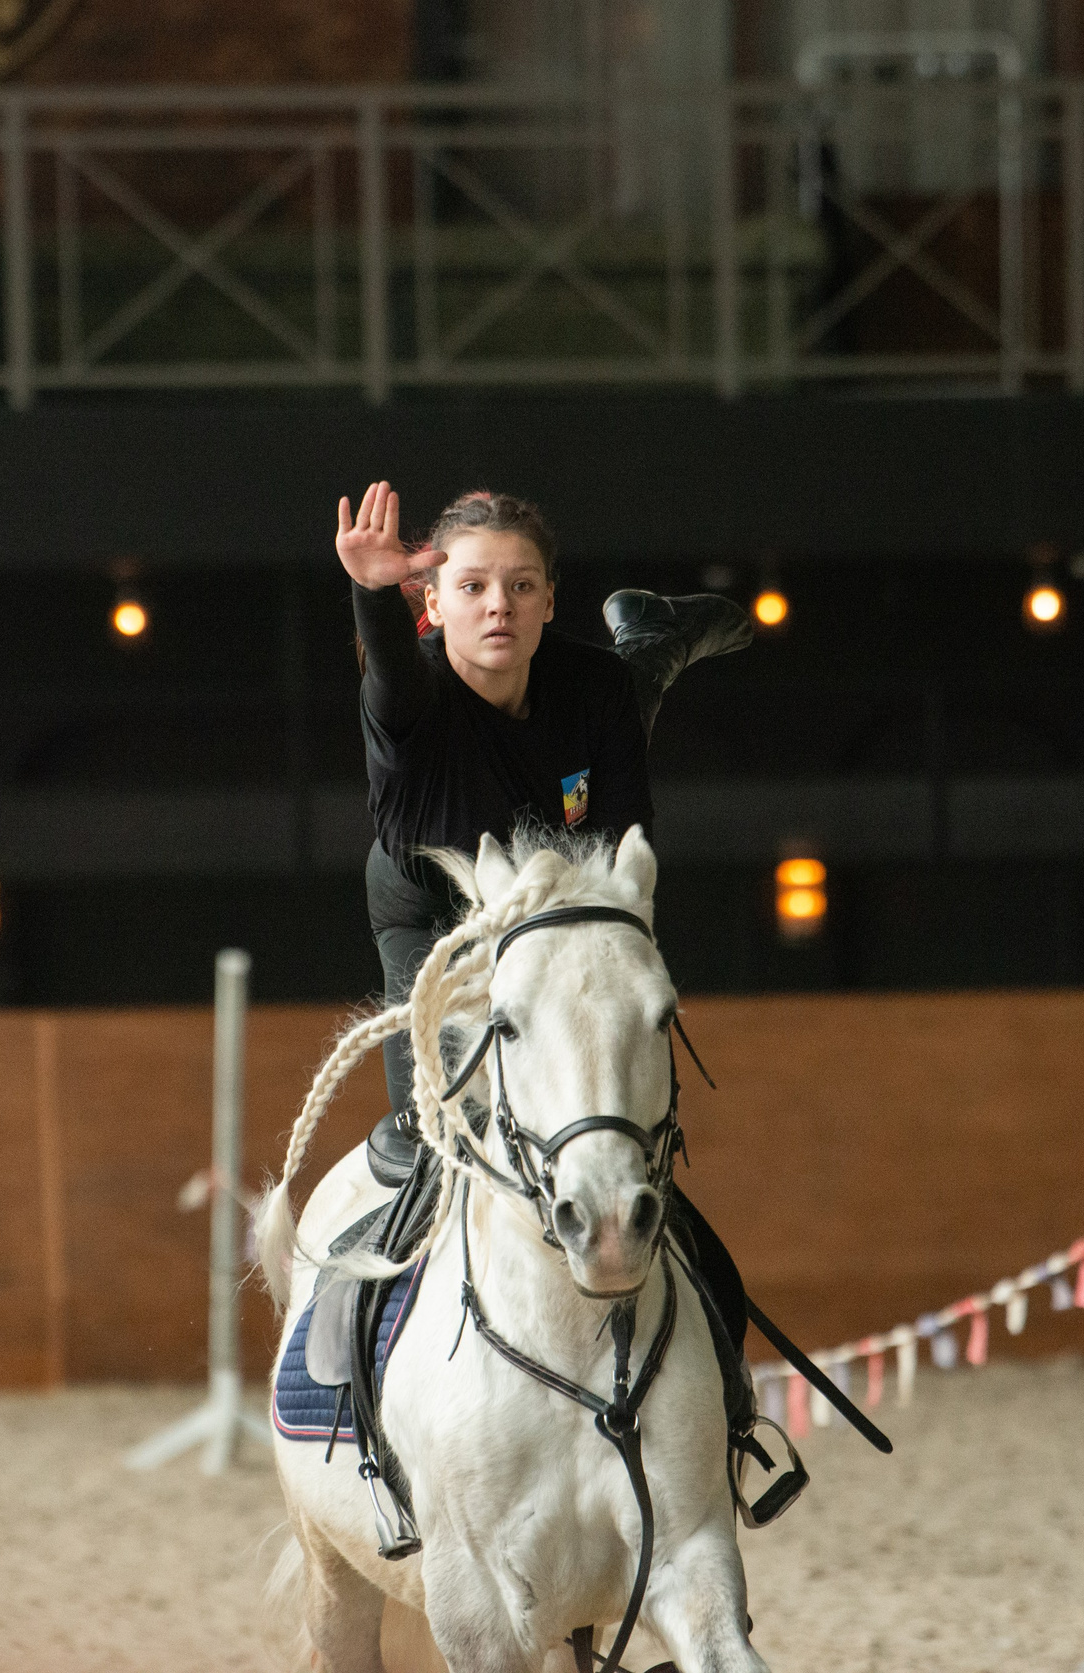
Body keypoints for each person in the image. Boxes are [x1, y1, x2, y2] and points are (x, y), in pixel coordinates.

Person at [334, 479, 759, 1420]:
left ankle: (650, 643)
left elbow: (619, 856)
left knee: (619, 1122)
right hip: (440, 915)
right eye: (474, 587)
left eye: (522, 586)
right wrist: (371, 593)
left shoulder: (587, 685)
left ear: (550, 599)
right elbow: (391, 673)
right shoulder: (409, 693)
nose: (499, 605)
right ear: (432, 602)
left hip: (556, 890)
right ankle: (363, 1383)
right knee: (433, 1138)